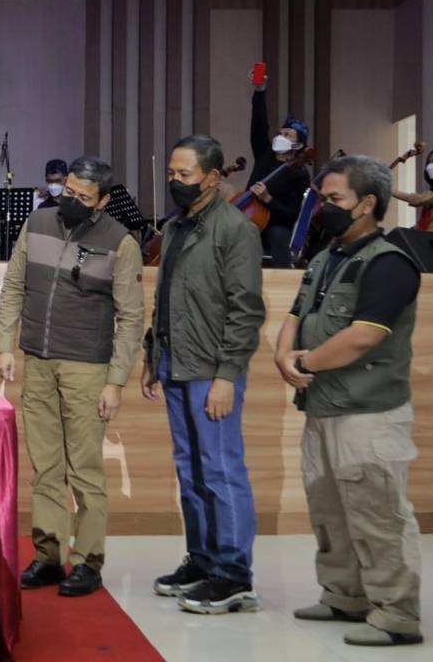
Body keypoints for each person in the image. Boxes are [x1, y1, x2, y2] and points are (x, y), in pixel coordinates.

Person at [274, 154, 424, 647]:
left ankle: (396, 614)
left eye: (333, 199)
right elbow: (295, 314)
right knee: (330, 509)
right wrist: (282, 354)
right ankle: (345, 595)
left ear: (368, 204)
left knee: (378, 515)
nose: (323, 208)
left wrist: (306, 363)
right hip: (322, 408)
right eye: (321, 198)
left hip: (369, 413)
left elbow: (363, 337)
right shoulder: (325, 257)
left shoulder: (389, 264)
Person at [0, 156, 144, 597]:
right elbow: (13, 286)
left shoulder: (121, 242)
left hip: (87, 368)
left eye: (82, 197)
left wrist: (115, 381)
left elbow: (131, 318)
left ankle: (89, 561)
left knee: (85, 470)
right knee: (46, 467)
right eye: (68, 192)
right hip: (38, 360)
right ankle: (48, 555)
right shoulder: (36, 223)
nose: (71, 201)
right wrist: (5, 342)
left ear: (103, 201)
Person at [140, 134, 265, 615]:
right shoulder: (174, 228)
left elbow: (246, 310)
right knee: (190, 470)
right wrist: (154, 358)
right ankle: (204, 558)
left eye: (184, 174)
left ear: (212, 178)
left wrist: (227, 375)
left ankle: (235, 575)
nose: (175, 181)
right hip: (175, 361)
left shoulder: (236, 230)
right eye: (171, 173)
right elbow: (166, 297)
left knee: (221, 469)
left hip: (212, 369)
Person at [245, 67, 311, 267]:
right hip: (251, 220)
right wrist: (259, 91)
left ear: (298, 145)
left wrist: (268, 199)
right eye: (281, 132)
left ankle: (283, 280)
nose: (281, 135)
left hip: (275, 225)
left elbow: (292, 214)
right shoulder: (265, 155)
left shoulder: (299, 174)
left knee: (278, 234)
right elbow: (259, 124)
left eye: (288, 134)